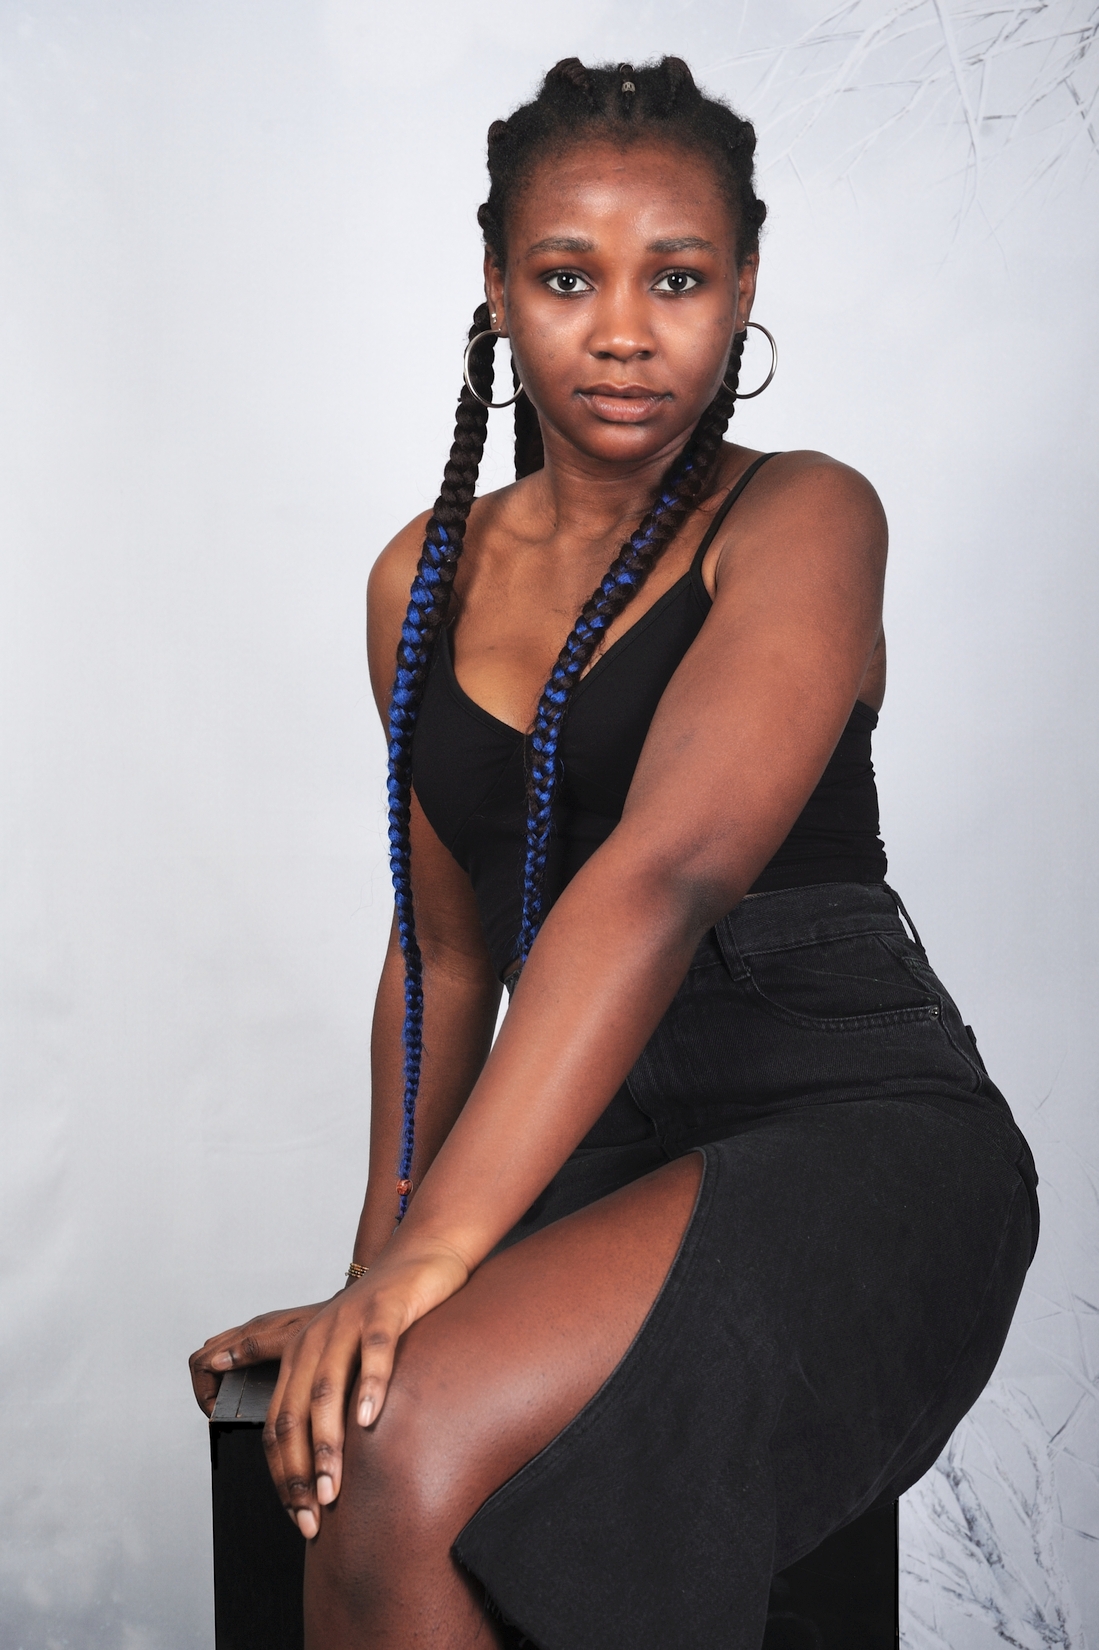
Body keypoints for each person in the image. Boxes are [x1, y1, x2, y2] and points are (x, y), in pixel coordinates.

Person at [189, 57, 1038, 1650]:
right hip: (585, 1129)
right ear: (498, 285)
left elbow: (666, 874)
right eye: (570, 277)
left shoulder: (804, 515)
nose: (627, 330)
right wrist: (379, 1275)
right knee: (363, 1446)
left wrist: (443, 1253)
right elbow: (445, 954)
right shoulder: (419, 581)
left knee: (415, 1441)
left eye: (680, 278)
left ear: (746, 289)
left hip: (848, 1116)